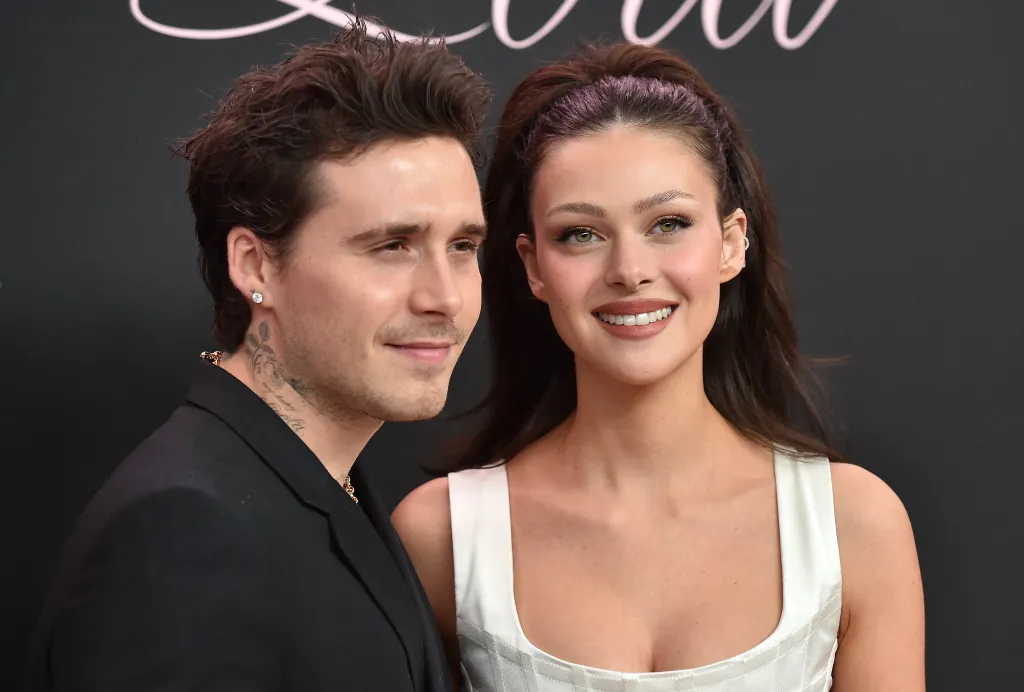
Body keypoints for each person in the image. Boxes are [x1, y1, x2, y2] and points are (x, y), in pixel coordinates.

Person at [392, 42, 925, 691]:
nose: (629, 270)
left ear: (731, 243)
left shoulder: (855, 527)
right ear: (533, 266)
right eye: (581, 234)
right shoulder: (439, 538)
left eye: (668, 223)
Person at [23, 19, 490, 692]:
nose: (444, 297)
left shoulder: (318, 482)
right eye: (392, 246)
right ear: (254, 264)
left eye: (463, 247)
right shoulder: (181, 533)